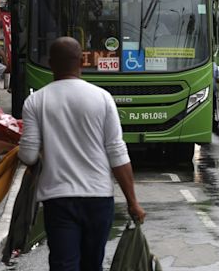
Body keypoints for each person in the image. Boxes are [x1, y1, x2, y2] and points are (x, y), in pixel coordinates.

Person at [18, 36, 145, 271]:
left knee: (64, 264)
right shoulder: (102, 98)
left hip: (58, 199)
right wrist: (132, 202)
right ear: (81, 62)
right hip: (99, 198)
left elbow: (28, 155)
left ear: (50, 63)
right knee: (92, 265)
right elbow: (117, 153)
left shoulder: (36, 101)